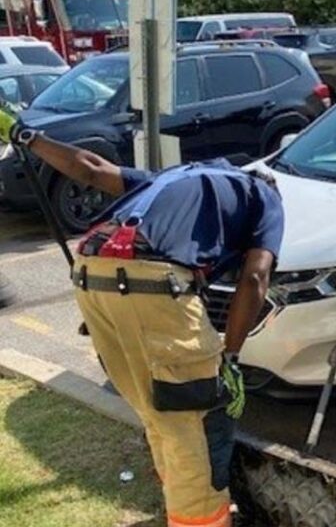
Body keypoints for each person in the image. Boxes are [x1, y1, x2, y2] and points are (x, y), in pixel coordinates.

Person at [0, 104, 284, 527]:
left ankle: (179, 503)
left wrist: (30, 138)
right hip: (153, 280)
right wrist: (231, 354)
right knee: (194, 418)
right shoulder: (263, 197)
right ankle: (201, 519)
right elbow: (255, 278)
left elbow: (90, 168)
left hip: (91, 272)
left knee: (157, 407)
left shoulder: (174, 178)